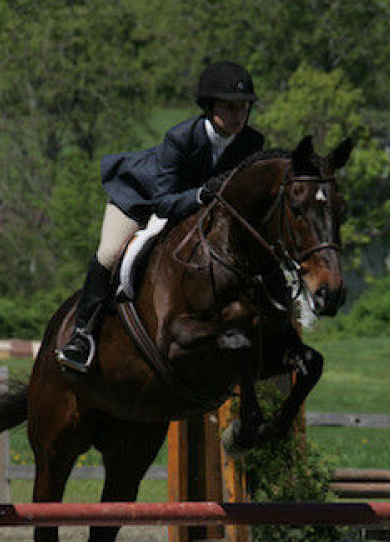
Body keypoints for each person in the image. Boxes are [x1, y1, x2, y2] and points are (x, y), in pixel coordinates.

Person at [57, 61, 264, 374]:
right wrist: (200, 195)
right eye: (230, 107)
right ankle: (81, 336)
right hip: (139, 199)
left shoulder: (252, 143)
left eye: (243, 108)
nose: (239, 116)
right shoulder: (180, 138)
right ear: (210, 107)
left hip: (194, 206)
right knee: (110, 253)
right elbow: (164, 203)